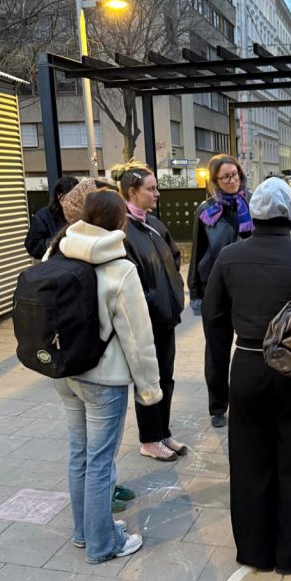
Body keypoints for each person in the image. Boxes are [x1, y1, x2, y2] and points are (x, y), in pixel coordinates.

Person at [202, 177, 291, 574]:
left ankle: (255, 550)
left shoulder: (229, 257)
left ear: (256, 214)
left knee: (249, 462)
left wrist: (218, 390)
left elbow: (213, 325)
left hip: (247, 367)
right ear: (288, 214)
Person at [50, 189, 161, 563]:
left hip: (64, 373)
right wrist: (149, 389)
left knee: (79, 453)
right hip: (104, 379)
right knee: (101, 461)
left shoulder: (58, 250)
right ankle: (103, 544)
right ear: (119, 222)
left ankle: (84, 533)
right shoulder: (120, 268)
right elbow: (138, 337)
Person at [113, 162, 186, 462]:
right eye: (151, 189)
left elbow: (176, 256)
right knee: (148, 380)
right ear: (133, 192)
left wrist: (173, 290)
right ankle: (149, 438)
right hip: (144, 321)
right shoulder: (123, 230)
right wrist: (151, 298)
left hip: (166, 318)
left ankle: (163, 431)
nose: (157, 194)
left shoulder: (154, 225)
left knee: (165, 377)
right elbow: (125, 276)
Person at [188, 153, 253, 429]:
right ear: (214, 181)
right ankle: (217, 406)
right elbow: (198, 253)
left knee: (252, 349)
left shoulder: (253, 205)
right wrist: (195, 293)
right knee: (216, 352)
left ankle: (247, 400)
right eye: (226, 177)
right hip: (215, 290)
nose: (232, 180)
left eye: (235, 174)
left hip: (248, 290)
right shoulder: (205, 211)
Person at [24, 176, 78, 259]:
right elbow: (32, 246)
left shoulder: (83, 213)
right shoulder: (43, 216)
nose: (73, 202)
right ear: (59, 197)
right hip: (55, 263)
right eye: (68, 198)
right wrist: (56, 242)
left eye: (76, 198)